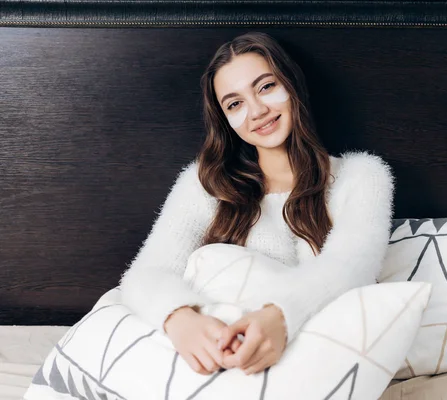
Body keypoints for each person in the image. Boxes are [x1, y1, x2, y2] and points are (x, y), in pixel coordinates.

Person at [119, 31, 395, 378]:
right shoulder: (205, 184)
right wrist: (181, 319)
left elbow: (352, 263)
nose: (257, 111)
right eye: (235, 104)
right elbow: (145, 273)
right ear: (226, 121)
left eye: (265, 87)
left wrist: (279, 315)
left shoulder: (362, 176)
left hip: (318, 363)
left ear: (291, 83)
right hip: (219, 363)